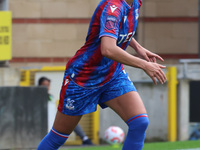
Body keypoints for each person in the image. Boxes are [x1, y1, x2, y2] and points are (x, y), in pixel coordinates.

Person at [37, 0, 166, 149]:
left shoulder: (136, 3)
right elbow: (108, 49)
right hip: (84, 78)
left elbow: (120, 29)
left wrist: (138, 47)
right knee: (57, 137)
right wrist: (144, 65)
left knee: (139, 122)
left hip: (113, 74)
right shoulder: (113, 8)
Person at [38, 77, 93, 145]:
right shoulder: (37, 98)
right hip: (43, 122)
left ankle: (85, 138)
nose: (47, 87)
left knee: (71, 120)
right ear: (40, 86)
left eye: (48, 85)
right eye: (44, 85)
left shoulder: (51, 97)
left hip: (53, 120)